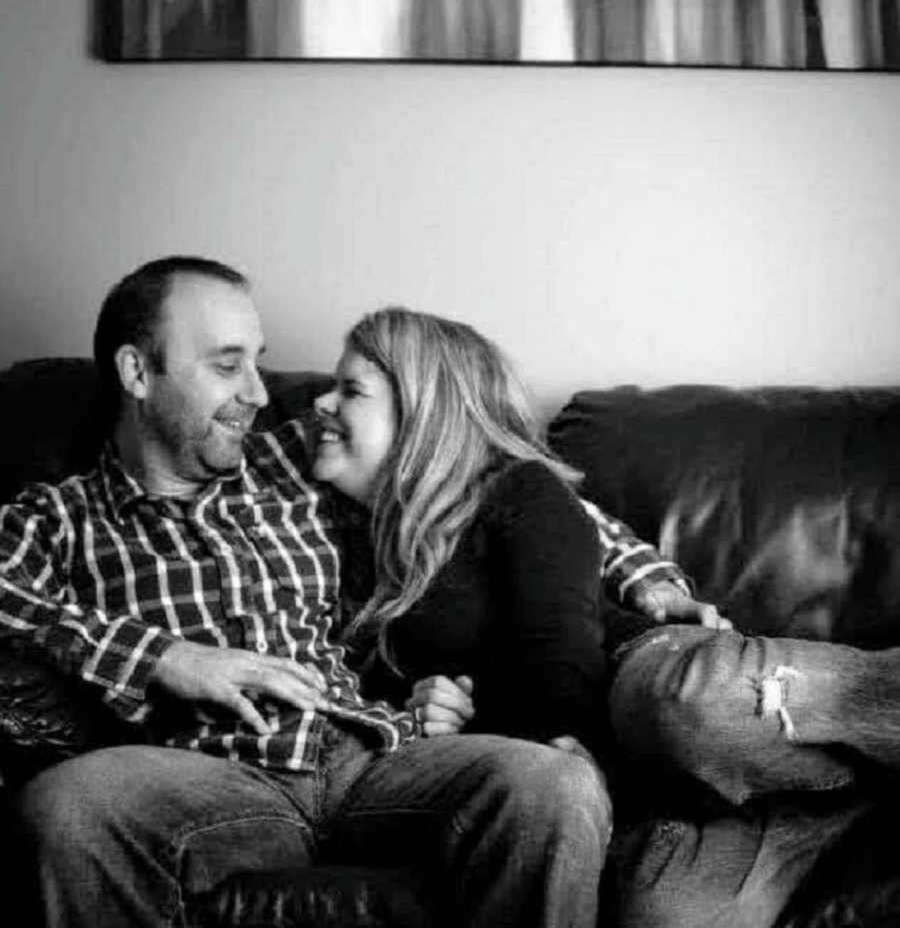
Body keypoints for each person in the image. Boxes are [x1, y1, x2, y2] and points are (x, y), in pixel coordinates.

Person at [0, 258, 612, 928]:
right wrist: (165, 658)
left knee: (554, 783)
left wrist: (652, 575)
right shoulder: (59, 516)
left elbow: (479, 474)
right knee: (66, 806)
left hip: (372, 755)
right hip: (213, 777)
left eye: (258, 364)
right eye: (228, 366)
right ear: (138, 373)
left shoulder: (292, 456)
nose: (261, 394)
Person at [312, 306, 900, 928]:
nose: (320, 403)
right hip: (665, 797)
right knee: (661, 914)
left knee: (688, 705)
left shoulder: (516, 493)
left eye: (351, 390)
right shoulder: (324, 550)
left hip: (633, 686)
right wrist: (427, 708)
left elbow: (558, 643)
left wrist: (557, 755)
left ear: (424, 415)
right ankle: (846, 798)